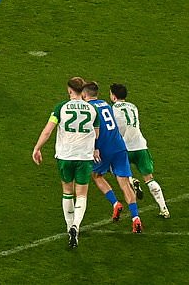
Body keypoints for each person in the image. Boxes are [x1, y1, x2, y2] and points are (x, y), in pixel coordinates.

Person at [32, 76, 98, 248]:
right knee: (82, 194)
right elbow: (96, 135)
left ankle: (69, 227)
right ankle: (76, 225)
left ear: (70, 91)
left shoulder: (60, 107)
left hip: (65, 156)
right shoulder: (92, 110)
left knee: (67, 192)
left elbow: (48, 131)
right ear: (82, 91)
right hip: (84, 157)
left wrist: (37, 148)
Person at [81, 81, 142, 232]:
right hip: (120, 147)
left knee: (96, 175)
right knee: (124, 183)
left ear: (84, 94)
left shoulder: (89, 109)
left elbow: (93, 132)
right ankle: (136, 218)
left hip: (104, 149)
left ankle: (115, 203)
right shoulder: (106, 105)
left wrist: (94, 148)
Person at [110, 84, 171, 218]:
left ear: (113, 96)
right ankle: (164, 208)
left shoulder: (113, 109)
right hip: (140, 146)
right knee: (149, 179)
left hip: (124, 148)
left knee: (118, 173)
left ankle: (132, 181)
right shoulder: (133, 107)